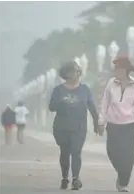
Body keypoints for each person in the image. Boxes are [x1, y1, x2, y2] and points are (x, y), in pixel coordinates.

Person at [97, 55, 134, 192]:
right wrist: (101, 121)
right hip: (113, 125)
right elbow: (105, 104)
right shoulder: (111, 83)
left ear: (126, 70)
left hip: (130, 125)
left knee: (128, 156)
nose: (117, 72)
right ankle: (122, 173)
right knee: (112, 152)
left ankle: (123, 183)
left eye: (119, 69)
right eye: (116, 69)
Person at [49, 61, 98, 190]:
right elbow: (51, 107)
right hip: (61, 128)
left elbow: (91, 106)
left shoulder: (84, 89)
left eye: (78, 70)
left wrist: (96, 122)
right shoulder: (58, 90)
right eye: (74, 70)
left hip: (79, 127)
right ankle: (65, 178)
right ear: (67, 73)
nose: (77, 73)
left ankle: (76, 179)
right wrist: (61, 102)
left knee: (76, 152)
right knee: (65, 153)